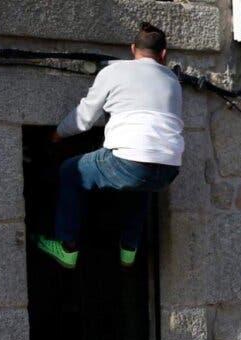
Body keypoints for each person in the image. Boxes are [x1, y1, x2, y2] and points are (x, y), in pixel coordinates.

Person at [35, 23, 184, 269]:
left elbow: (84, 119)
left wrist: (57, 135)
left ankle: (66, 246)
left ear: (133, 49)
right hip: (168, 169)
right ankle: (129, 247)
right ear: (164, 54)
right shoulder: (173, 81)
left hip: (128, 162)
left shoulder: (113, 72)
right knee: (142, 182)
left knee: (70, 172)